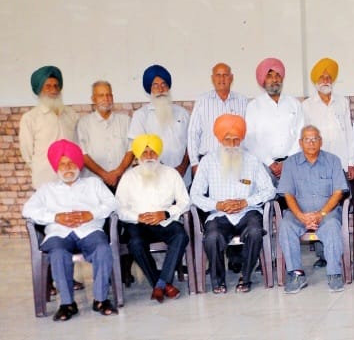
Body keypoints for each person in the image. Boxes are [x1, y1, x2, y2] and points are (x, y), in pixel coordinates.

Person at [22, 139, 119, 320]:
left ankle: (100, 299)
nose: (67, 168)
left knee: (103, 249)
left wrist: (91, 214)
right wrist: (55, 217)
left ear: (79, 164)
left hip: (90, 230)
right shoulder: (47, 189)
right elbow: (27, 210)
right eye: (62, 164)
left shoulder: (93, 183)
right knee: (58, 254)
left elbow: (113, 203)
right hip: (58, 232)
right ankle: (67, 304)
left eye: (71, 163)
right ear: (56, 167)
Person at [189, 115, 275, 294]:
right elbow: (195, 195)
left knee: (255, 232)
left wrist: (246, 202)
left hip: (248, 212)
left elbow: (270, 190)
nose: (232, 144)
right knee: (212, 237)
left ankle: (246, 276)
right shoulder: (208, 161)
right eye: (227, 139)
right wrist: (218, 205)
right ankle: (218, 281)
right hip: (219, 214)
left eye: (236, 139)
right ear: (219, 139)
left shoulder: (252, 160)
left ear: (241, 139)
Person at [115, 134, 191, 302]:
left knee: (180, 235)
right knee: (135, 243)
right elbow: (118, 208)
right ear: (137, 156)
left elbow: (185, 201)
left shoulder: (171, 173)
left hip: (163, 220)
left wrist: (166, 213)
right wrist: (138, 217)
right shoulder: (128, 177)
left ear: (158, 154)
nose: (149, 156)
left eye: (153, 152)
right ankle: (163, 284)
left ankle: (159, 285)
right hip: (137, 223)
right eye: (144, 152)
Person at [277, 125, 349, 294]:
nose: (311, 143)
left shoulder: (333, 160)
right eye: (307, 139)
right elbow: (288, 194)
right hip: (298, 212)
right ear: (300, 142)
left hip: (327, 212)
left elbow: (338, 192)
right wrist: (301, 216)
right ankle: (296, 274)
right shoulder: (290, 163)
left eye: (315, 139)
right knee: (286, 226)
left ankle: (334, 274)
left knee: (332, 226)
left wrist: (321, 214)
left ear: (321, 141)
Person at [128, 65, 191, 185]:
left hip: (182, 177)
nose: (160, 89)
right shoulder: (141, 115)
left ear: (168, 87)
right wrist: (164, 171)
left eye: (163, 84)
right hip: (155, 178)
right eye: (155, 85)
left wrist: (183, 167)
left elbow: (191, 144)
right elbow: (139, 148)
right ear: (150, 89)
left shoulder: (182, 113)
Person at [245, 58, 304, 183]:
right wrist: (270, 163)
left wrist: (287, 162)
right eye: (269, 76)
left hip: (292, 165)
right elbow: (250, 140)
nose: (275, 79)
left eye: (278, 75)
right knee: (267, 195)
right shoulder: (253, 106)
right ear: (263, 80)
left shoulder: (294, 104)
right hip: (263, 167)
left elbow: (301, 134)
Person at [20, 66, 79, 189]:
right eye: (48, 86)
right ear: (39, 89)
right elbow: (27, 153)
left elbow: (77, 145)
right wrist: (41, 168)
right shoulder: (30, 118)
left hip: (71, 179)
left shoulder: (71, 114)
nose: (53, 90)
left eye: (56, 86)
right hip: (45, 180)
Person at [188, 62, 248, 171]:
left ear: (231, 78)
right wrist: (194, 163)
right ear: (212, 79)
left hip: (236, 161)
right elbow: (193, 133)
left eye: (225, 75)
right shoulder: (202, 101)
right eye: (218, 75)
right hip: (207, 163)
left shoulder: (242, 101)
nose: (222, 79)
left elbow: (248, 133)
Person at [301, 57, 353, 176]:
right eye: (321, 77)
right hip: (316, 164)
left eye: (328, 77)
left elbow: (349, 134)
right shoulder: (306, 105)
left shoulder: (342, 102)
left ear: (332, 80)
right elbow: (304, 137)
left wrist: (351, 162)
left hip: (341, 162)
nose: (325, 80)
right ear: (316, 81)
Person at [76, 80, 132, 187]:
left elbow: (131, 150)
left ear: (113, 97)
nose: (106, 99)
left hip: (123, 183)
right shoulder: (83, 123)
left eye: (108, 95)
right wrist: (105, 175)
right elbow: (83, 155)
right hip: (94, 184)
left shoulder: (126, 121)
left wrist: (117, 173)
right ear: (93, 99)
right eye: (101, 95)